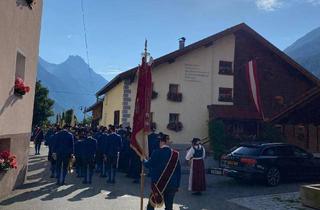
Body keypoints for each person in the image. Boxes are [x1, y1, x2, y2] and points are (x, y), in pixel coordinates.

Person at [144, 134, 181, 210]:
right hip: (172, 184)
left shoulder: (156, 152)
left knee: (151, 204)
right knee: (169, 206)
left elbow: (148, 165)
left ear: (161, 142)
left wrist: (143, 160)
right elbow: (178, 172)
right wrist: (177, 185)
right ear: (168, 142)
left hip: (158, 184)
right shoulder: (175, 154)